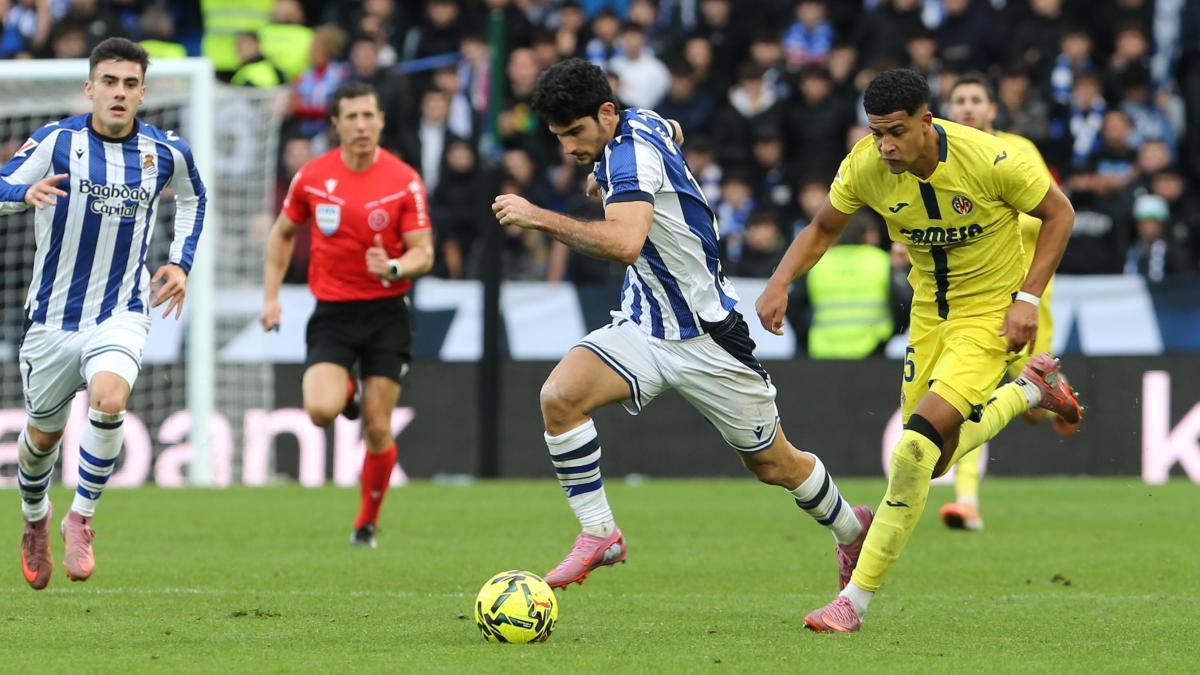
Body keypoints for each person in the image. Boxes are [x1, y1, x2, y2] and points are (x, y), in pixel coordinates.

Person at [491, 58, 871, 591]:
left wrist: (537, 215)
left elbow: (624, 244)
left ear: (605, 113)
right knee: (559, 397)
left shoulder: (629, 157)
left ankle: (853, 531)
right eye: (559, 137)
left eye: (575, 133)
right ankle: (600, 534)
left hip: (709, 337)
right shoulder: (640, 122)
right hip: (645, 325)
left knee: (774, 464)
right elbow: (670, 127)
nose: (570, 148)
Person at [755, 68, 1084, 632]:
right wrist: (779, 281)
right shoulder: (866, 164)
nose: (886, 145)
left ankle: (853, 602)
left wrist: (1027, 298)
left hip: (988, 316)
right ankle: (1031, 389)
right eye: (877, 132)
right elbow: (823, 227)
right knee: (929, 463)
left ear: (927, 122)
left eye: (897, 132)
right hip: (928, 317)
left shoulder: (990, 158)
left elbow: (1061, 213)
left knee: (911, 453)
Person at [4, 38, 206, 589]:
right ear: (90, 88)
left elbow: (194, 197)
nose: (119, 93)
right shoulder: (56, 141)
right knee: (43, 437)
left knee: (111, 398)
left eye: (130, 84)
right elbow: (0, 185)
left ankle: (82, 517)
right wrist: (23, 195)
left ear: (144, 92)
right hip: (51, 319)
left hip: (121, 310)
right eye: (109, 82)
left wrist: (181, 262)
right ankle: (35, 520)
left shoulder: (167, 152)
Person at [260, 81, 434, 549]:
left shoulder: (404, 180)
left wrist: (394, 266)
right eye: (351, 117)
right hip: (333, 313)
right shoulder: (313, 176)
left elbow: (424, 253)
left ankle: (366, 525)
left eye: (368, 116)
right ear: (335, 124)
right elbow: (282, 235)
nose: (361, 125)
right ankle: (347, 391)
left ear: (380, 121)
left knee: (377, 426)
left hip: (386, 313)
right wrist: (271, 297)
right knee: (320, 411)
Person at [941, 72, 1080, 532]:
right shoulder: (943, 157)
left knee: (1031, 407)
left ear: (992, 110)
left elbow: (1050, 212)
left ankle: (1050, 398)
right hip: (976, 295)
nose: (966, 107)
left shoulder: (1018, 151)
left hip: (1027, 293)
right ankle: (967, 501)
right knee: (970, 395)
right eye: (958, 100)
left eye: (976, 99)